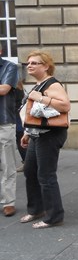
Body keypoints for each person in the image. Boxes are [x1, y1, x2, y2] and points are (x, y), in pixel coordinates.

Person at [19, 51, 70, 228]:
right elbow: (34, 113)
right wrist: (27, 132)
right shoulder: (38, 84)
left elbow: (65, 105)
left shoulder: (52, 84)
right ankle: (36, 209)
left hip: (50, 134)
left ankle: (54, 216)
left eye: (34, 63)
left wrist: (40, 97)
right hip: (37, 133)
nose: (30, 66)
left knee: (46, 175)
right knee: (30, 171)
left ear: (46, 66)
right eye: (28, 63)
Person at [0, 47, 19, 217]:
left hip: (4, 122)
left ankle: (8, 202)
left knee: (7, 164)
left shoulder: (9, 67)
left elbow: (4, 89)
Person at [15, 78, 26, 171]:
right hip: (18, 115)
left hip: (15, 116)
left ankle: (26, 162)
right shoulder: (19, 86)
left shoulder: (14, 87)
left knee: (20, 139)